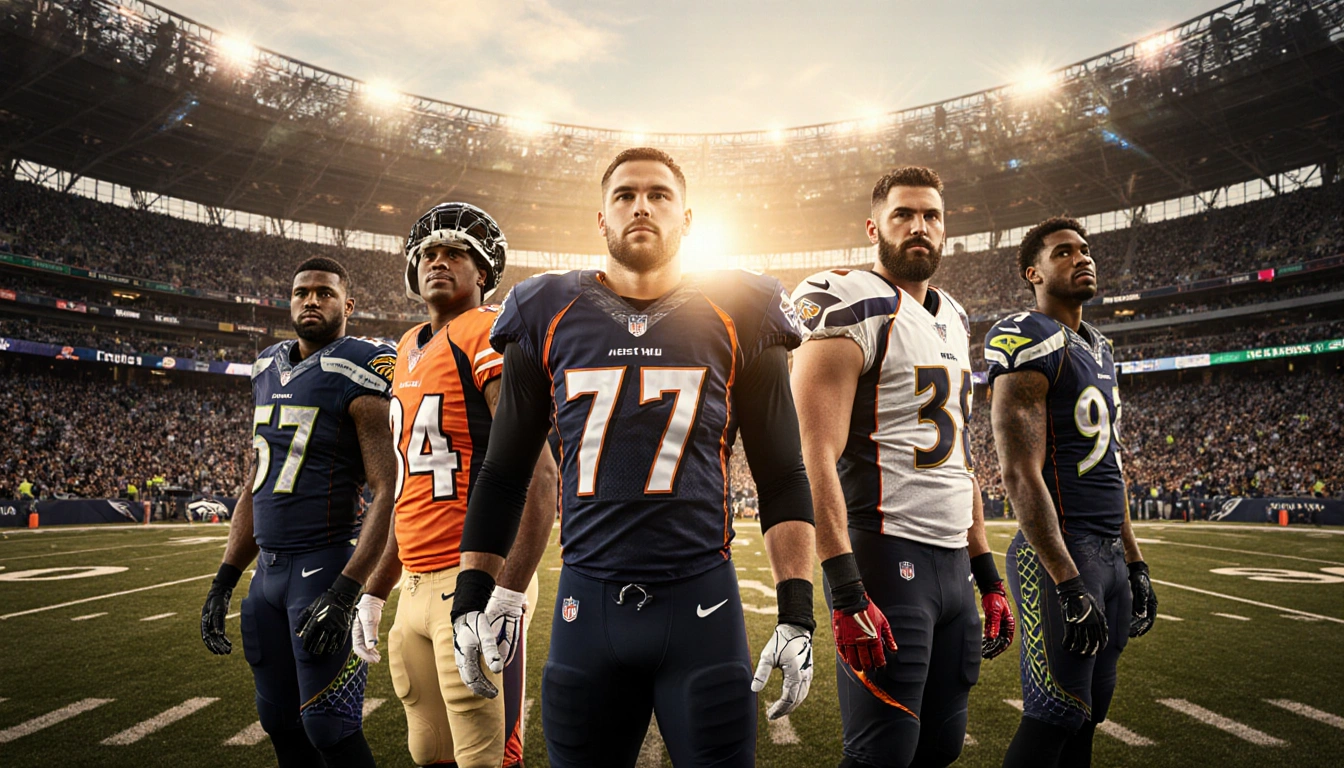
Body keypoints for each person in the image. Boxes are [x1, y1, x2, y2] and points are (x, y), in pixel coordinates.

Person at [448, 147, 818, 768]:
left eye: (658, 194)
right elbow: (506, 470)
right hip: (586, 599)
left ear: (688, 218)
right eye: (624, 195)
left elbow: (783, 474)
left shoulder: (741, 308)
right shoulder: (545, 309)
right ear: (601, 218)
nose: (640, 206)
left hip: (704, 601)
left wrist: (798, 611)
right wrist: (473, 593)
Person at [790, 166, 1015, 768]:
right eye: (904, 215)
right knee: (880, 755)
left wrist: (988, 574)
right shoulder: (849, 300)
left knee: (939, 750)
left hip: (952, 569)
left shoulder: (954, 317)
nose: (920, 226)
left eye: (932, 216)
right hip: (885, 558)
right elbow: (812, 453)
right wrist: (843, 588)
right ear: (873, 227)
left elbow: (959, 461)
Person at [352, 203, 557, 768]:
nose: (438, 261)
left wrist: (507, 591)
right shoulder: (407, 345)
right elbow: (407, 491)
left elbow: (538, 473)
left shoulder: (485, 329)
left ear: (484, 271)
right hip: (413, 586)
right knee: (429, 750)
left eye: (455, 253)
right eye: (428, 253)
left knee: (487, 755)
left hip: (475, 580)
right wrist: (376, 587)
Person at [199, 257, 398, 768]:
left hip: (324, 567)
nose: (311, 300)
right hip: (266, 575)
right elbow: (254, 483)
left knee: (330, 726)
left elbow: (386, 487)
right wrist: (225, 578)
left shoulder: (363, 366)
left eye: (324, 293)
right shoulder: (266, 365)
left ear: (347, 305)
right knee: (279, 724)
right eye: (301, 292)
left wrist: (348, 588)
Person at [985, 217, 1158, 768]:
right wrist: (1065, 578)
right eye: (1064, 252)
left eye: (1085, 250)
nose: (1082, 258)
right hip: (1065, 553)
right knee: (1052, 716)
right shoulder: (1028, 337)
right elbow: (1019, 473)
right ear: (1032, 273)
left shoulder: (1101, 349)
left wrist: (1135, 562)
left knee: (1089, 717)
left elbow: (1112, 468)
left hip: (1108, 552)